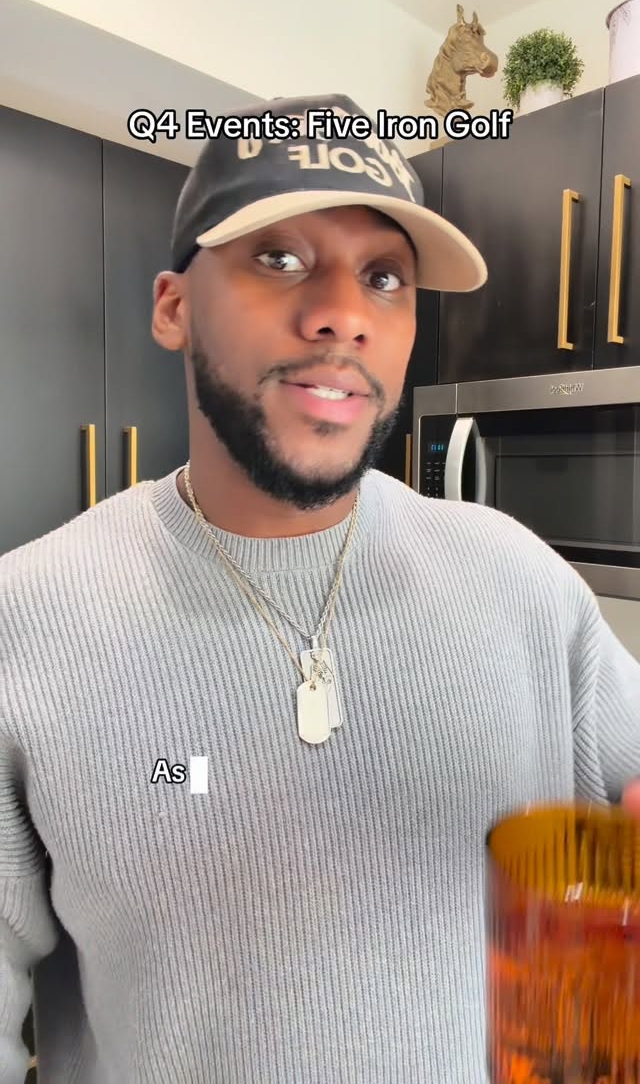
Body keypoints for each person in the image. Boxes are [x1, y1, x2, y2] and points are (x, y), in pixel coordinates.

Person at [1, 91, 639, 1084]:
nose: (344, 312)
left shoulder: (522, 581)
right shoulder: (26, 619)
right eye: (280, 257)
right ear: (172, 307)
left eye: (384, 276)